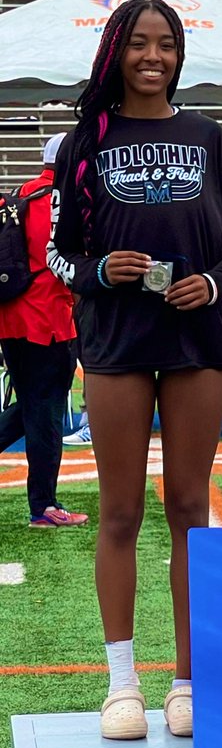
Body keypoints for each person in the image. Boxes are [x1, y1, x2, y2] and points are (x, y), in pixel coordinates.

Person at [47, 0, 222, 741]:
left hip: (196, 341)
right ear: (115, 51)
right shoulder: (82, 143)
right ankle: (121, 683)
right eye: (139, 44)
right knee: (121, 511)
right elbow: (58, 254)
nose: (153, 56)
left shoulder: (208, 136)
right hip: (114, 343)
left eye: (166, 44)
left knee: (188, 511)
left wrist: (217, 284)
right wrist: (101, 269)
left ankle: (187, 681)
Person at [0, 134, 87, 528]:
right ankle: (44, 506)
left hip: (11, 316)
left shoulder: (15, 196)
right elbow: (72, 266)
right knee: (46, 413)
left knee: (32, 407)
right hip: (48, 319)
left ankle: (44, 503)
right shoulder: (62, 200)